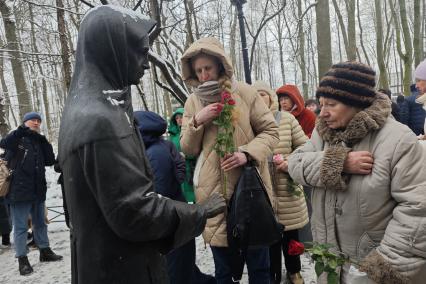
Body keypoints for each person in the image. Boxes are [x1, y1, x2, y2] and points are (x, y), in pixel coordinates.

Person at [58, 6, 225, 284]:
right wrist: (199, 211)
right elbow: (134, 212)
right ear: (113, 49)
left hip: (106, 262)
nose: (147, 62)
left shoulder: (88, 109)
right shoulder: (100, 120)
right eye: (140, 51)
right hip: (121, 268)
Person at [288, 61, 426, 283]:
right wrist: (338, 162)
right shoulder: (323, 133)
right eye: (321, 104)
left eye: (331, 104)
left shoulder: (398, 140)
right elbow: (295, 163)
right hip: (331, 268)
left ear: (357, 102)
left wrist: (379, 269)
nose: (322, 113)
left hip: (371, 269)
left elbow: (418, 210)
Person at [180, 37, 279, 283]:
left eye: (208, 68)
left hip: (251, 193)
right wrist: (196, 122)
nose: (203, 75)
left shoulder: (246, 93)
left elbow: (271, 132)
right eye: (199, 70)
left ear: (221, 66)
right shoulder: (192, 102)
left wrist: (246, 153)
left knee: (259, 269)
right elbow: (188, 149)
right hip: (213, 195)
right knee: (224, 272)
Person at [135, 110, 216, 284]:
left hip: (172, 224)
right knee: (184, 269)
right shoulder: (156, 147)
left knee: (178, 272)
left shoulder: (155, 153)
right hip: (175, 222)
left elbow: (160, 192)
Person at [253, 81, 308, 284]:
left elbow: (304, 146)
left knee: (291, 233)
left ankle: (294, 270)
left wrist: (289, 161)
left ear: (270, 97)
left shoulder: (287, 119)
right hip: (262, 187)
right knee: (269, 235)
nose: (260, 99)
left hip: (287, 185)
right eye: (255, 95)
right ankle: (273, 274)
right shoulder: (250, 122)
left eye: (263, 94)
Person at [0, 111, 62, 276]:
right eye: (33, 120)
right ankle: (22, 260)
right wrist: (20, 130)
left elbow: (49, 160)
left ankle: (45, 251)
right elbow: (4, 143)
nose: (36, 123)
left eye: (38, 121)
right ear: (25, 122)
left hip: (38, 190)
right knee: (20, 227)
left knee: (40, 223)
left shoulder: (38, 141)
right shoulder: (16, 139)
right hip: (18, 192)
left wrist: (44, 140)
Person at [168, 108, 197, 203]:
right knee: (182, 195)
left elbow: (198, 149)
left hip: (192, 168)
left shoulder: (191, 132)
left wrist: (187, 155)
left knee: (192, 194)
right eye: (177, 118)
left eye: (181, 117)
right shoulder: (172, 136)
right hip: (178, 170)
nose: (179, 120)